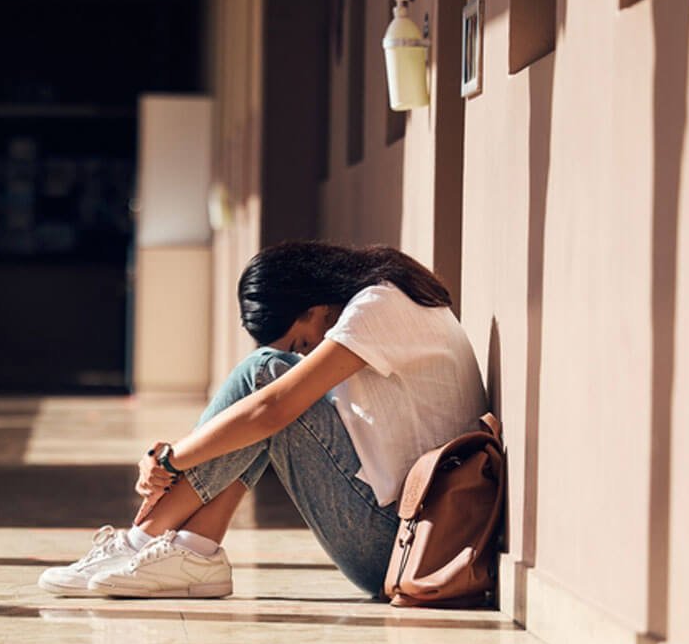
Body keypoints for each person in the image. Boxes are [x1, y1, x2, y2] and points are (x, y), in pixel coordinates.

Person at [38, 240, 488, 600]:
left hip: (401, 546)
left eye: (300, 340)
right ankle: (190, 550)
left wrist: (170, 460)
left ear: (313, 306)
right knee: (265, 395)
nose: (305, 352)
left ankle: (148, 541)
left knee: (266, 378)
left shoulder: (379, 306)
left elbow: (271, 408)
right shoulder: (391, 296)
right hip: (400, 536)